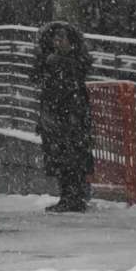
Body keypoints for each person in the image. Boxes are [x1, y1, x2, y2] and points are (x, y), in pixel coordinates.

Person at [35, 21, 95, 213]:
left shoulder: (73, 62)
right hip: (59, 115)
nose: (58, 42)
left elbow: (70, 84)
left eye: (62, 39)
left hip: (70, 117)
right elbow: (38, 77)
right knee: (62, 158)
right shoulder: (50, 61)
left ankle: (74, 197)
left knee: (72, 158)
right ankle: (69, 196)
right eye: (56, 38)